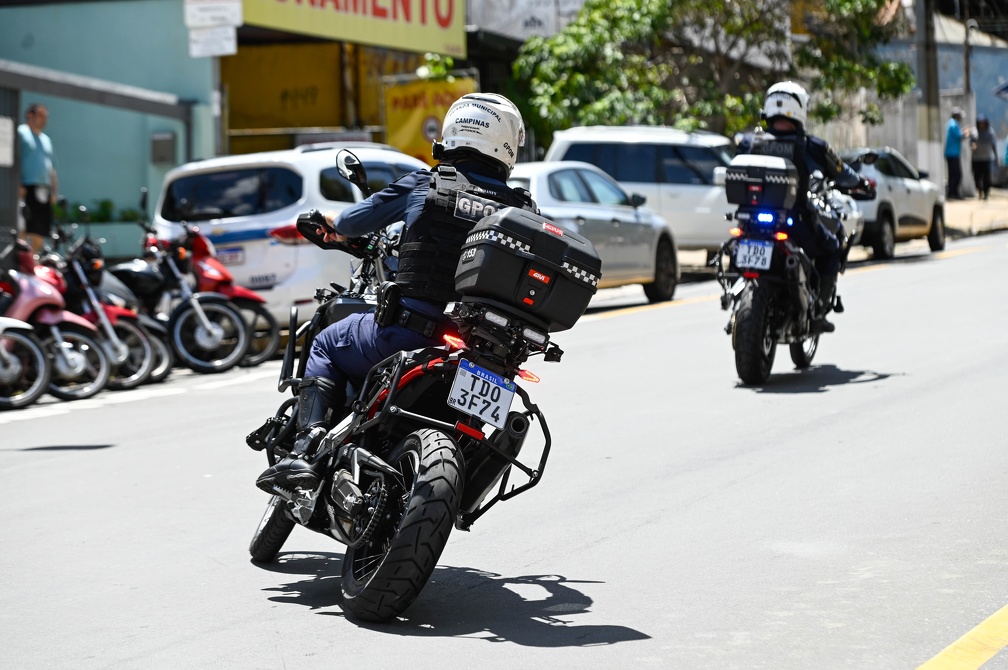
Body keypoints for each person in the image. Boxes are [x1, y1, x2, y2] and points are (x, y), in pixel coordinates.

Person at [257, 93, 539, 495]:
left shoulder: (428, 183)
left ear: (455, 130)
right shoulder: (523, 210)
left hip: (411, 333)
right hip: (486, 354)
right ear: (508, 143)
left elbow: (354, 221)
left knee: (326, 342)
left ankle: (306, 447)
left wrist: (329, 222)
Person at [736, 81, 869, 334]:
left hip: (750, 223)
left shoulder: (748, 142)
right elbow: (842, 173)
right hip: (794, 223)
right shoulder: (811, 146)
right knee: (832, 248)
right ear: (799, 110)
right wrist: (861, 183)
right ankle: (818, 310)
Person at [17, 103, 59, 253]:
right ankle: (19, 262)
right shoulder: (21, 133)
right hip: (26, 188)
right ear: (30, 114)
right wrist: (17, 184)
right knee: (23, 227)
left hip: (44, 190)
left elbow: (52, 168)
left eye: (46, 116)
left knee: (41, 230)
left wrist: (54, 192)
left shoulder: (46, 139)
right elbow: (14, 159)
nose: (44, 119)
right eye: (41, 115)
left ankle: (32, 262)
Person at [970, 114, 998, 201]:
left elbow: (994, 145)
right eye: (980, 123)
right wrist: (972, 146)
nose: (981, 124)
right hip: (976, 159)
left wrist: (996, 158)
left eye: (983, 123)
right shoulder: (975, 132)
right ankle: (980, 190)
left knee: (986, 177)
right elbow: (971, 142)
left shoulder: (990, 132)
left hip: (986, 158)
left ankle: (986, 193)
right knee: (977, 176)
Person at [944, 107, 970, 200]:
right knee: (957, 174)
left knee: (953, 175)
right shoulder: (953, 123)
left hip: (952, 153)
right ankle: (953, 193)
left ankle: (953, 193)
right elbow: (959, 136)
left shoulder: (952, 123)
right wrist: (966, 133)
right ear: (956, 116)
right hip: (952, 154)